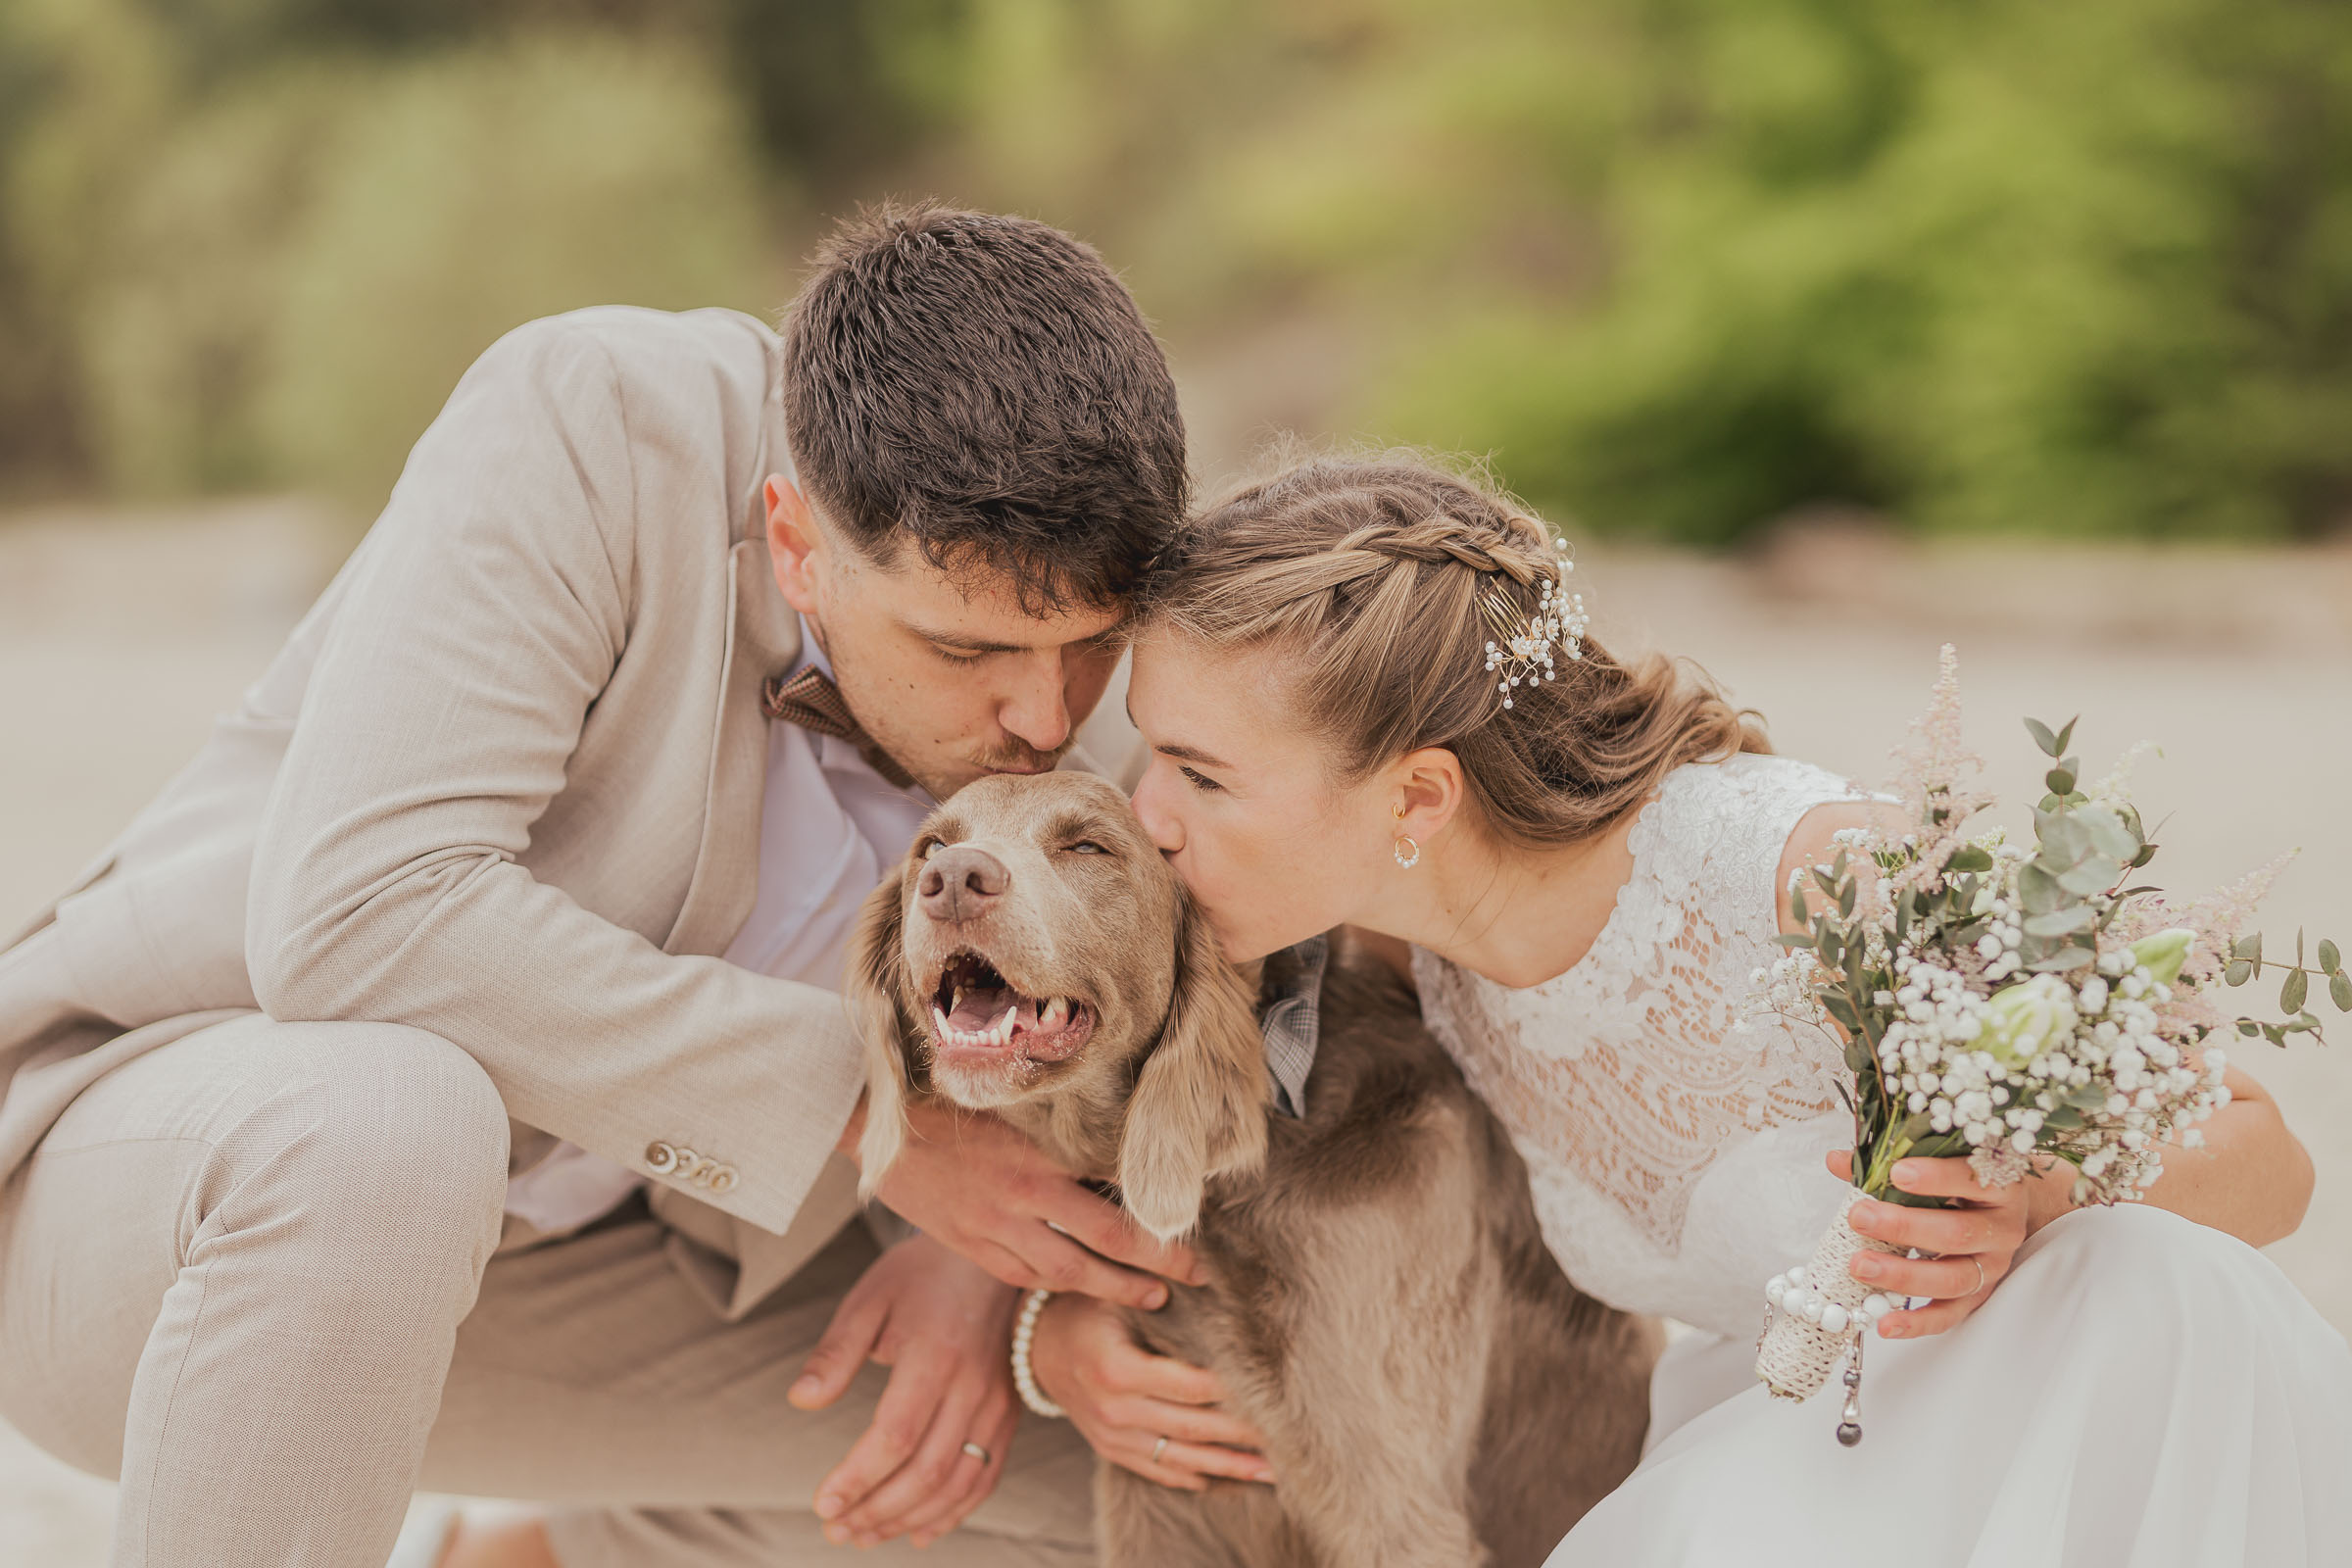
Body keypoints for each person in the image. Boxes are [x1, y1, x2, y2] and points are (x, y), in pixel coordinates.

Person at [0, 203, 1202, 1568]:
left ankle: (541, 1553)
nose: (1048, 717)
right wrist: (869, 1109)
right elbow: (358, 918)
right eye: (966, 650)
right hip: (169, 1215)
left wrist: (981, 1276)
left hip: (617, 1289)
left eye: (1092, 648)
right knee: (392, 1124)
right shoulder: (593, 422)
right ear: (795, 538)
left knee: (1144, 1494)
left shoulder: (1104, 652)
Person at [1024, 452, 2352, 1563]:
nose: (1143, 814)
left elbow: (2271, 1167)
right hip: (1783, 1459)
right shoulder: (1393, 952)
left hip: (2053, 1444)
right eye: (1150, 750)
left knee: (2134, 1271)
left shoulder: (1805, 876)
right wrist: (1057, 1326)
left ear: (1419, 799)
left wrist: (2035, 1200)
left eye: (1200, 774)